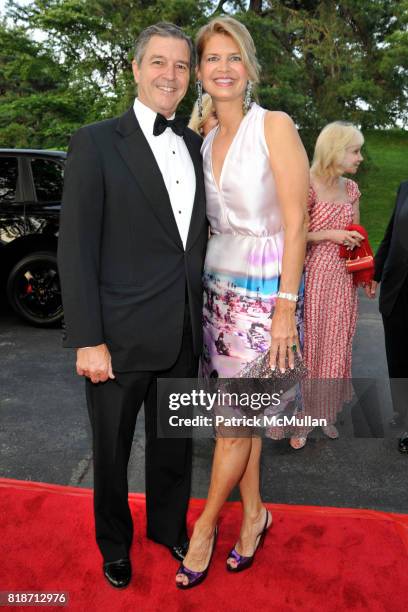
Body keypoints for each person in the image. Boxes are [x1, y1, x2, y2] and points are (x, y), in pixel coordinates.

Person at [57, 22, 208, 589]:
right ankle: (114, 544)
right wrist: (88, 338)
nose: (170, 75)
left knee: (174, 444)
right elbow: (75, 248)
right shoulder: (95, 141)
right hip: (116, 337)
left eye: (180, 66)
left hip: (184, 327)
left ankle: (168, 527)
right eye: (159, 63)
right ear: (136, 68)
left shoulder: (195, 144)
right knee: (111, 452)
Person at [175, 16, 309, 589]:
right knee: (241, 423)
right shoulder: (204, 141)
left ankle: (205, 527)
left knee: (233, 426)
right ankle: (254, 516)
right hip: (217, 299)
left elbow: (298, 221)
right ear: (199, 71)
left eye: (234, 57)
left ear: (249, 66)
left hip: (264, 300)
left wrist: (286, 306)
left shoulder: (273, 126)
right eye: (212, 59)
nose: (223, 68)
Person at [290, 121, 364, 449]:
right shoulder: (305, 184)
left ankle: (325, 412)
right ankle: (302, 416)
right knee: (311, 347)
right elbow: (293, 234)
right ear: (335, 150)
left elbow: (358, 235)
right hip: (314, 277)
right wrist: (331, 235)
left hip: (344, 280)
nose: (360, 157)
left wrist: (366, 273)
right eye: (355, 150)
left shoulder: (351, 189)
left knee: (336, 347)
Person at [365, 180, 408, 453]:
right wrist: (376, 273)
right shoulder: (405, 187)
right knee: (397, 355)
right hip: (397, 288)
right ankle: (403, 410)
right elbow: (391, 234)